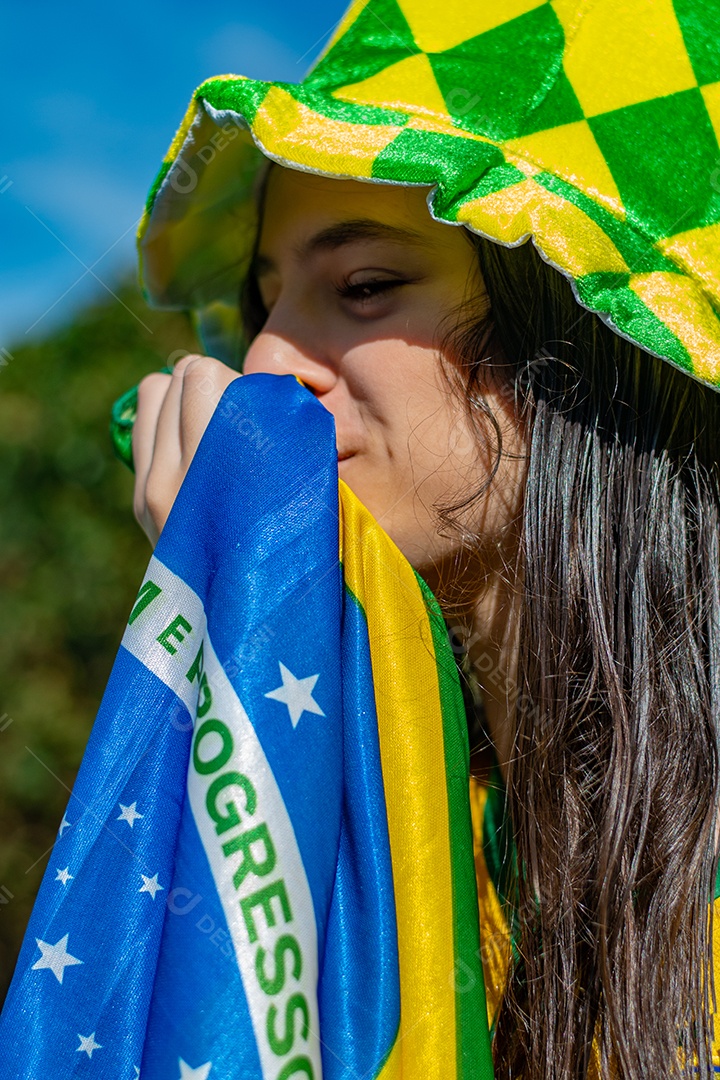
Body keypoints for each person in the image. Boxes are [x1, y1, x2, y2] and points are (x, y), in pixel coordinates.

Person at [130, 2, 720, 1077]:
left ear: (597, 330)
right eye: (265, 302)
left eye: (365, 286)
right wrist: (236, 640)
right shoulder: (428, 830)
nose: (264, 366)